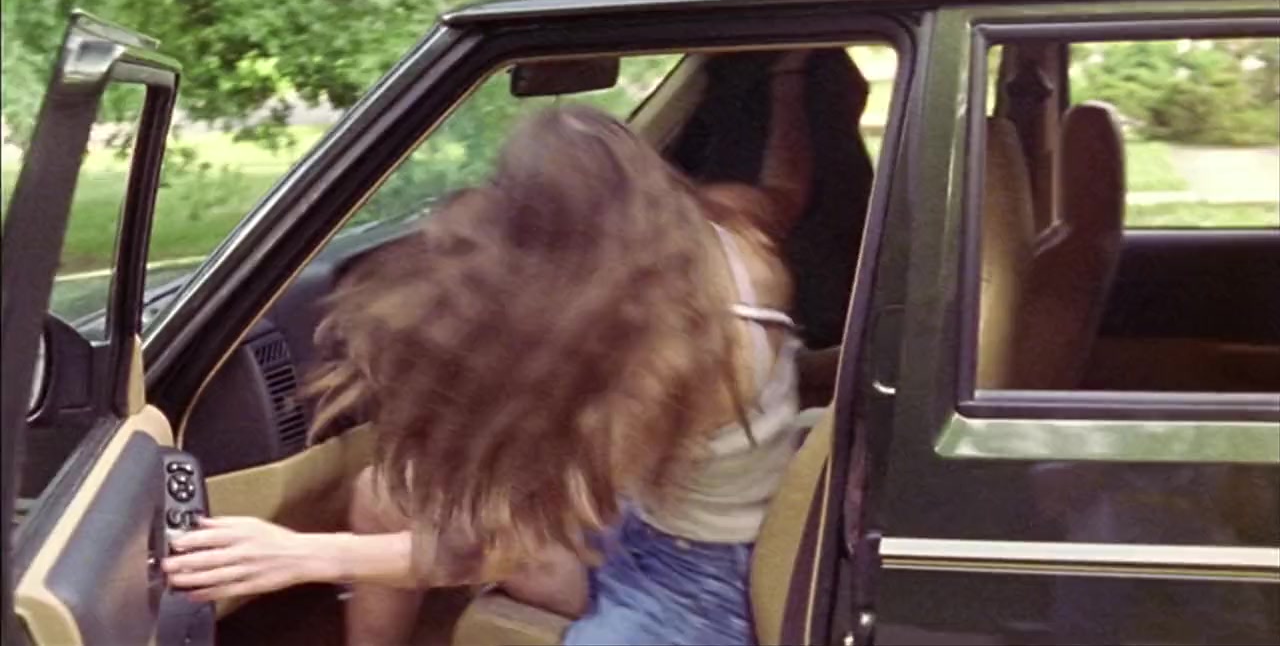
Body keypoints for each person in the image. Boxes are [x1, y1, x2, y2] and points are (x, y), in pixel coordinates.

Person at [162, 49, 815, 645]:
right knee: (387, 491)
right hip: (636, 514)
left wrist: (299, 555)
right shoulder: (732, 229)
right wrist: (789, 83)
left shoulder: (676, 363)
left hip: (695, 578)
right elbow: (789, 187)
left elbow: (502, 548)